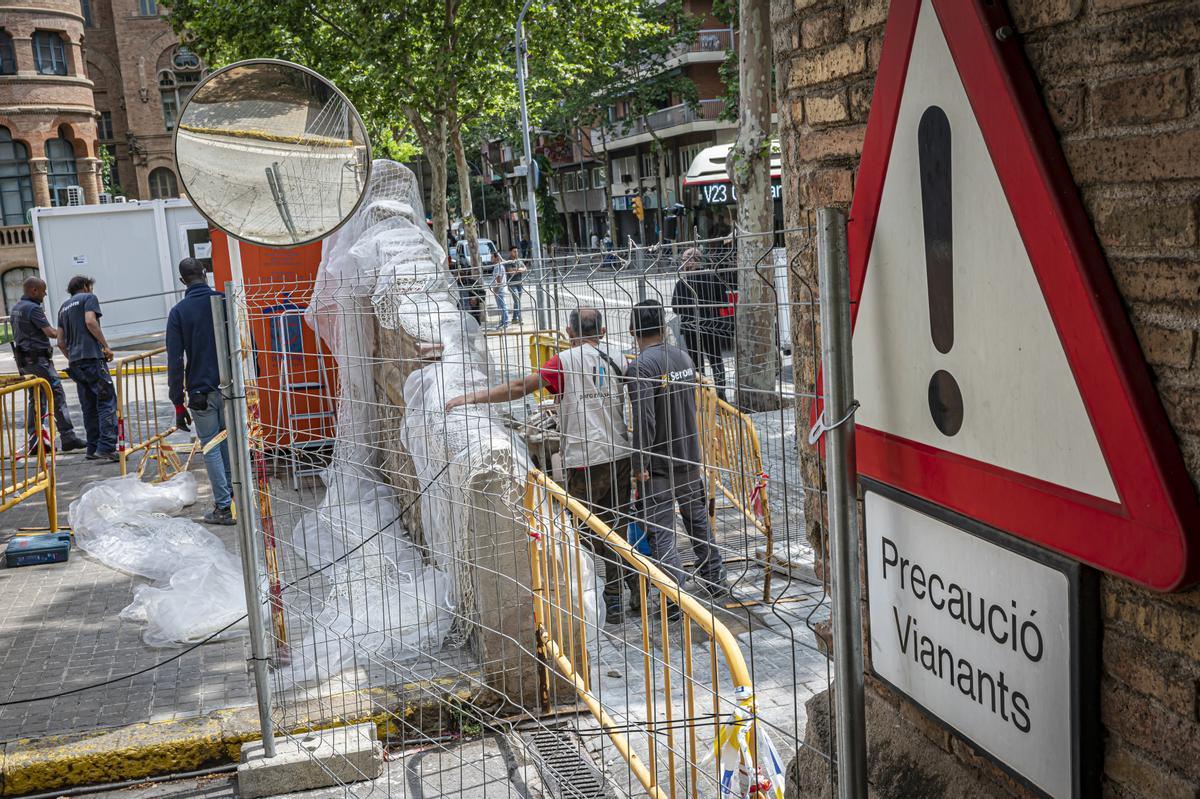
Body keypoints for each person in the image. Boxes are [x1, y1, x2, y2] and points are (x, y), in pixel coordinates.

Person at [445, 307, 639, 622]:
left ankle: (613, 596)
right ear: (601, 332)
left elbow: (521, 388)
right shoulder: (618, 355)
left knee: (582, 529)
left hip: (585, 459)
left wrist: (473, 398)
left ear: (568, 333)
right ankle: (630, 587)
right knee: (615, 526)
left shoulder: (562, 362)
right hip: (619, 454)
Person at [626, 300, 726, 610]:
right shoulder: (683, 357)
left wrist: (638, 462)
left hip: (657, 466)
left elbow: (644, 419)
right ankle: (715, 577)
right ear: (663, 326)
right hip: (688, 456)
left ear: (632, 330)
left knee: (662, 534)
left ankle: (674, 599)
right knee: (697, 522)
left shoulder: (640, 367)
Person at [166, 258, 235, 526]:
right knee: (230, 443)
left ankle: (223, 507)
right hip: (231, 388)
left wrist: (178, 403)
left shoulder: (179, 312)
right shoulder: (223, 300)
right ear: (205, 274)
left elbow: (174, 361)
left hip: (200, 392)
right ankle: (236, 498)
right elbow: (245, 339)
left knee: (212, 447)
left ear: (182, 280)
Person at [10, 277, 86, 453]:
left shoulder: (16, 308)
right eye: (43, 290)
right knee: (56, 396)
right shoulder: (33, 308)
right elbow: (50, 332)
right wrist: (69, 329)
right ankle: (68, 438)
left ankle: (35, 441)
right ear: (34, 290)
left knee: (36, 400)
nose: (45, 294)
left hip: (25, 362)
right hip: (39, 362)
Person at [57, 275, 118, 462]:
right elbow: (91, 322)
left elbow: (60, 342)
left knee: (89, 406)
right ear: (85, 286)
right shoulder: (88, 298)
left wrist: (72, 357)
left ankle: (92, 448)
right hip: (93, 359)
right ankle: (107, 446)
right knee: (106, 402)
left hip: (76, 364)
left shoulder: (63, 308)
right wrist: (105, 346)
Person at [671, 247, 733, 400]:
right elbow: (724, 302)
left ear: (689, 262)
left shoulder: (682, 283)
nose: (683, 262)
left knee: (696, 363)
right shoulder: (712, 277)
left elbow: (675, 308)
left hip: (691, 328)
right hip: (711, 326)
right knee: (716, 359)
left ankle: (703, 394)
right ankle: (720, 394)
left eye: (684, 259)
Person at [505, 246, 528, 325]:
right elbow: (510, 272)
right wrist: (519, 270)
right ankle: (519, 318)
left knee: (517, 302)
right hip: (512, 284)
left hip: (519, 283)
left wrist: (516, 270)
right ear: (510, 252)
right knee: (517, 300)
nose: (516, 253)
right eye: (514, 251)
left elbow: (525, 269)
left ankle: (514, 318)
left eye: (517, 251)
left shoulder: (519, 260)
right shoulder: (508, 262)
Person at [489, 252, 509, 328]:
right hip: (499, 289)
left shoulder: (498, 267)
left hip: (500, 289)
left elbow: (499, 280)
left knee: (503, 306)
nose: (491, 259)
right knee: (501, 306)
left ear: (496, 258)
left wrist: (495, 289)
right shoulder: (497, 266)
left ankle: (506, 322)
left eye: (492, 257)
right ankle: (503, 321)